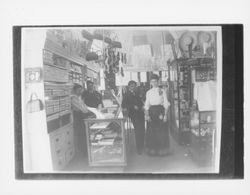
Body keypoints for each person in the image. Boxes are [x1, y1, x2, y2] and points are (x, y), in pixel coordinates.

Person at [144, 74, 170, 156]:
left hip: (160, 112)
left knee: (162, 131)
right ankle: (153, 150)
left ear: (158, 82)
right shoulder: (148, 92)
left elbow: (166, 103)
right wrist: (147, 115)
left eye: (155, 81)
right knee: (152, 132)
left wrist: (165, 115)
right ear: (150, 82)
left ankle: (162, 150)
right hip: (151, 112)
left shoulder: (162, 91)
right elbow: (147, 105)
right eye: (152, 82)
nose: (154, 83)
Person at [122, 80, 145, 155]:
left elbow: (140, 102)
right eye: (132, 86)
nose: (133, 87)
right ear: (129, 86)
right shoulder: (126, 94)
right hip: (134, 115)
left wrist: (142, 106)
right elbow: (123, 105)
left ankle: (142, 144)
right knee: (138, 131)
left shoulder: (137, 93)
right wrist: (132, 106)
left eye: (134, 86)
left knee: (142, 129)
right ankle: (139, 148)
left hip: (141, 114)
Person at [71, 84, 94, 157]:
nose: (80, 91)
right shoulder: (73, 98)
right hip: (79, 119)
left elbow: (85, 107)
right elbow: (83, 110)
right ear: (75, 91)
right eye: (79, 90)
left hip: (83, 118)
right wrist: (88, 110)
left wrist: (91, 110)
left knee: (84, 135)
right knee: (81, 135)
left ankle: (86, 151)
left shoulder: (79, 97)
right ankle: (83, 152)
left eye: (81, 90)